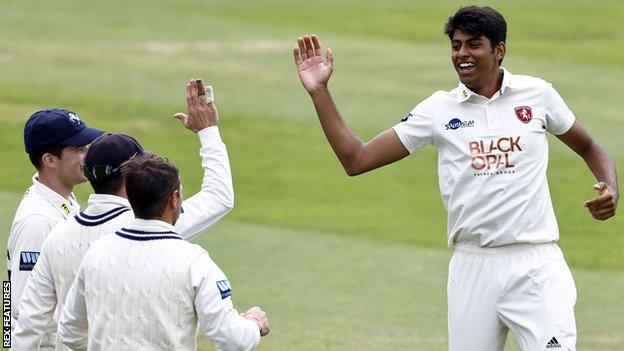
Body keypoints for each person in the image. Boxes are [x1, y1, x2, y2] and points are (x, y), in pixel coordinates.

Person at [293, 6, 618, 351]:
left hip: (536, 262)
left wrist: (610, 186)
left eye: (473, 44)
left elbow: (589, 146)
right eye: (456, 45)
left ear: (499, 50)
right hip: (472, 265)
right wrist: (319, 92)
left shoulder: (538, 95)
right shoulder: (438, 110)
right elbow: (356, 159)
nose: (462, 54)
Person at [12, 80, 242, 350]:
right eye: (78, 149)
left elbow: (30, 320)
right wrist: (208, 131)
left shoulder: (67, 219)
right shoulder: (145, 225)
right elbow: (15, 308)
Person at [58, 152, 268, 351]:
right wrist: (253, 323)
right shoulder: (194, 262)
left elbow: (70, 332)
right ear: (174, 198)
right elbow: (232, 340)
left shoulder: (97, 252)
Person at [7, 108, 103, 346]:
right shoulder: (38, 220)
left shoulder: (63, 201)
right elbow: (20, 306)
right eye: (79, 150)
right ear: (49, 160)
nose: (88, 156)